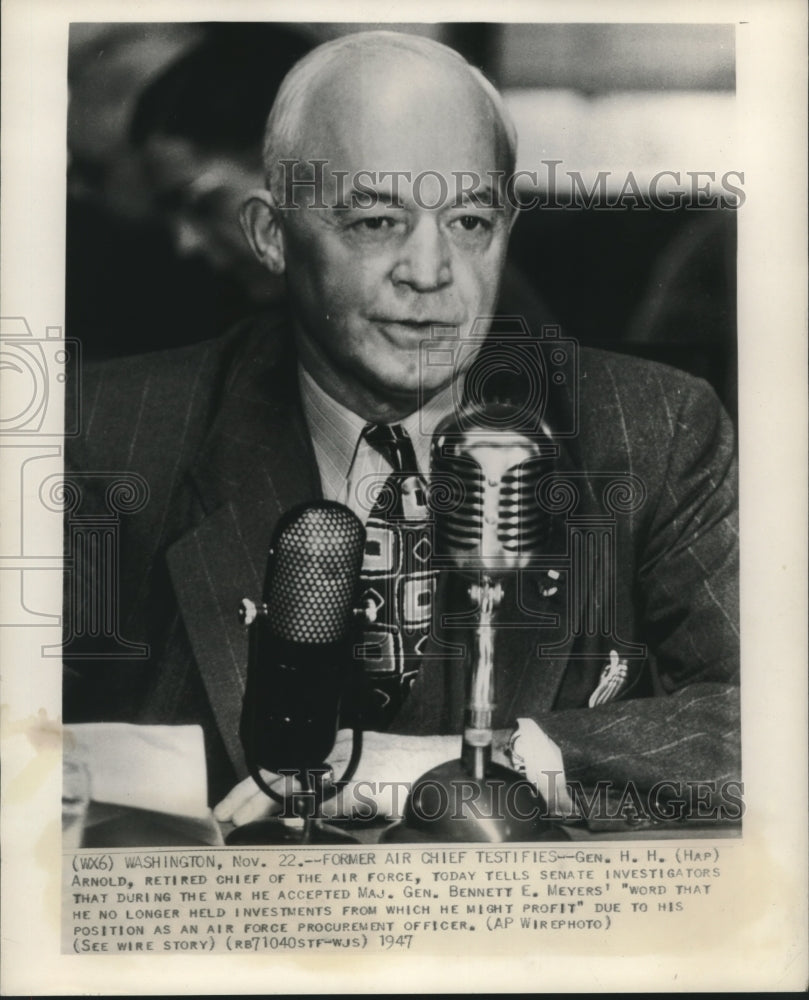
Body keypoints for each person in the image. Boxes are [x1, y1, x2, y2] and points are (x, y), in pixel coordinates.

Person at [64, 30, 739, 833]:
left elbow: (767, 726)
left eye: (468, 222)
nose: (429, 271)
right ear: (271, 236)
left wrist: (470, 768)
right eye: (376, 222)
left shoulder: (654, 428)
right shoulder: (107, 438)